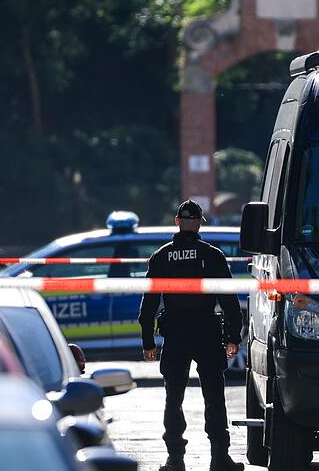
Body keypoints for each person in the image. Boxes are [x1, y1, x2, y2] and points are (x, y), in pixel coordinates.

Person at [139, 200, 245, 471]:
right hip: (207, 334)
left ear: (177, 221)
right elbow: (229, 300)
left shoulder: (161, 257)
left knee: (173, 398)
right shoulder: (212, 255)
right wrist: (233, 336)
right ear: (199, 223)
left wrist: (148, 342)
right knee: (214, 397)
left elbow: (149, 304)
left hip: (175, 335)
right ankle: (219, 458)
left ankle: (175, 459)